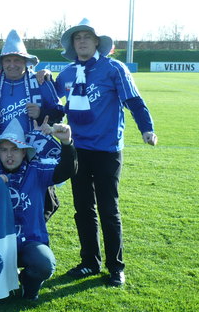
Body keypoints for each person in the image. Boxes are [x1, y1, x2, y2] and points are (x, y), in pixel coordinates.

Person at [54, 18, 157, 286]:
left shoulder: (114, 68)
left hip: (107, 150)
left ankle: (116, 267)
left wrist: (146, 129)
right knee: (82, 209)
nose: (83, 41)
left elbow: (133, 100)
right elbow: (52, 103)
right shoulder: (66, 74)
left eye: (88, 37)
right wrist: (43, 79)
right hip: (78, 150)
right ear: (73, 44)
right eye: (78, 38)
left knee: (108, 209)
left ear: (97, 42)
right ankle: (90, 262)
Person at [0, 118, 77, 300]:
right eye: (4, 150)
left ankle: (28, 285)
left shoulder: (37, 170)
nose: (9, 155)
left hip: (29, 242)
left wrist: (66, 143)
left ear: (24, 152)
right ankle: (2, 279)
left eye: (15, 149)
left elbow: (67, 170)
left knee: (44, 264)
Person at [0, 29, 64, 139]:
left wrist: (40, 114)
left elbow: (59, 114)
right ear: (2, 63)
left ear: (25, 62)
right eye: (8, 60)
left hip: (35, 149)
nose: (12, 65)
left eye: (17, 60)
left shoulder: (41, 82)